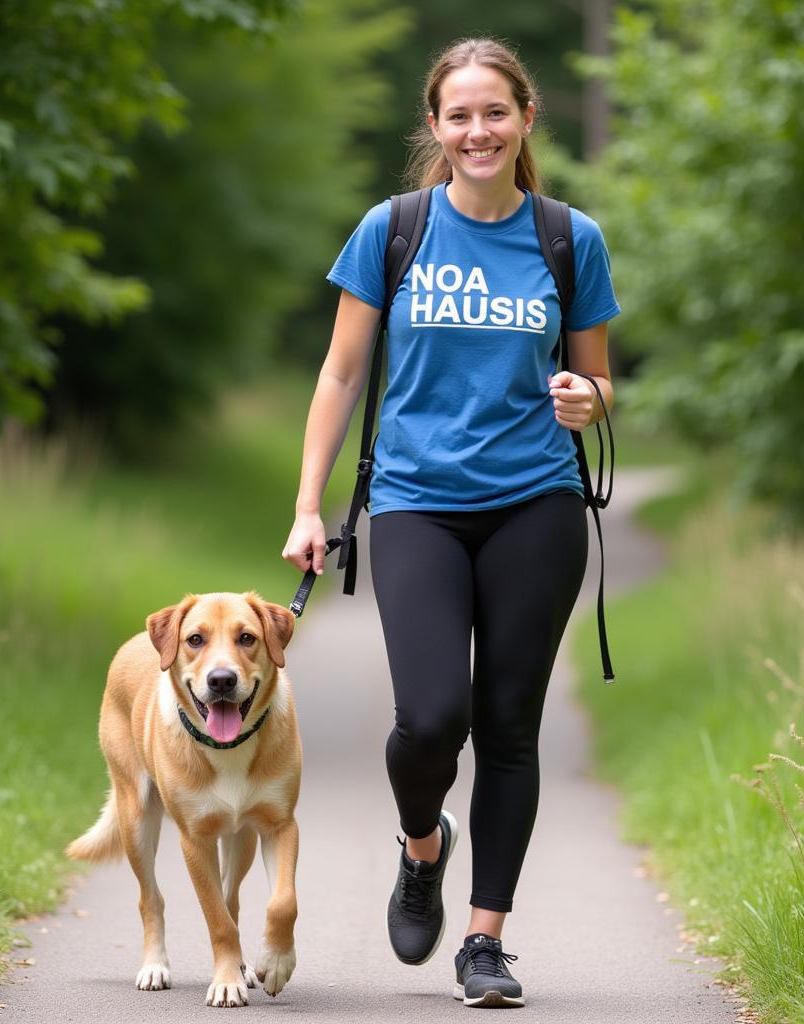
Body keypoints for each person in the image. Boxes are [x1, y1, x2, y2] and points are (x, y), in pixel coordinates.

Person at [282, 36, 620, 1009]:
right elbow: (342, 372)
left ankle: (484, 941)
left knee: (509, 723)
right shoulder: (393, 229)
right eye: (458, 114)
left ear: (524, 120)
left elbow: (597, 376)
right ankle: (421, 846)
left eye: (495, 111)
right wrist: (308, 505)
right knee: (430, 718)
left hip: (536, 502)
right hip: (418, 501)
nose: (478, 129)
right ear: (435, 126)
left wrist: (587, 400)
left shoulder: (567, 237)